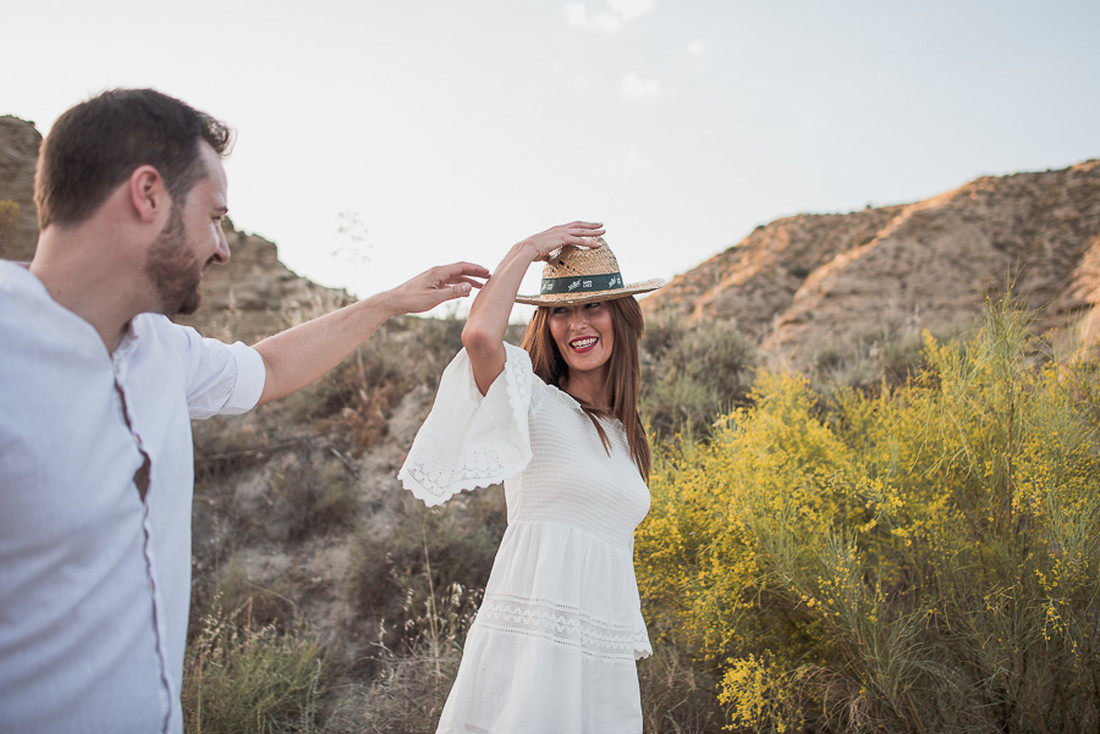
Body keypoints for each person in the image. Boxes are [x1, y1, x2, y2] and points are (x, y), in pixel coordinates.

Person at [0, 88, 488, 734]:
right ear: (147, 195)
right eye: (215, 216)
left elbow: (270, 369)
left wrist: (386, 304)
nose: (223, 248)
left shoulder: (164, 353)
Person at [399, 221, 666, 733]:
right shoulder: (531, 401)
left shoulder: (627, 435)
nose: (576, 325)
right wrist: (526, 249)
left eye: (592, 306)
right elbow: (479, 335)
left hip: (600, 660)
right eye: (560, 312)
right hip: (531, 651)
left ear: (621, 314)